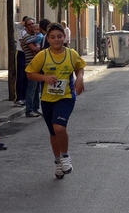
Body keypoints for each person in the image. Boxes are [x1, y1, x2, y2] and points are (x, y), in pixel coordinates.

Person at [25, 22, 86, 179]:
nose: (56, 40)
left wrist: (79, 78)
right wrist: (44, 77)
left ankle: (65, 157)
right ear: (48, 39)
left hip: (66, 97)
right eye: (52, 37)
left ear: (64, 37)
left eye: (59, 36)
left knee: (59, 128)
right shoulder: (43, 55)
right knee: (53, 132)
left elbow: (79, 66)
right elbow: (30, 73)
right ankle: (57, 162)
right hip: (47, 99)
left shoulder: (71, 54)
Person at [21, 17, 42, 117]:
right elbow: (35, 49)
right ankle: (29, 110)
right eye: (29, 24)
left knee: (37, 89)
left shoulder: (36, 36)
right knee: (31, 88)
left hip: (37, 65)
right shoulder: (27, 37)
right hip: (31, 65)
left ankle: (35, 108)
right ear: (26, 27)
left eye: (33, 23)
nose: (32, 25)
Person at [13, 16, 29, 106]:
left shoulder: (31, 33)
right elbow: (23, 44)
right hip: (20, 53)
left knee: (26, 76)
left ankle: (24, 96)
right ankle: (18, 97)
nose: (31, 26)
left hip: (27, 54)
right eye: (29, 24)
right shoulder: (22, 32)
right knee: (20, 76)